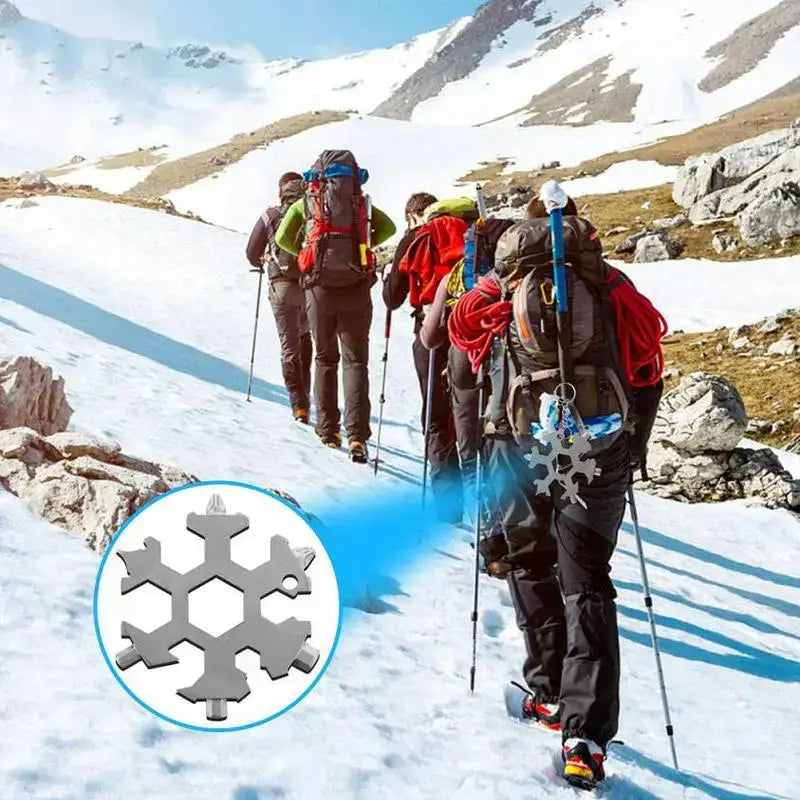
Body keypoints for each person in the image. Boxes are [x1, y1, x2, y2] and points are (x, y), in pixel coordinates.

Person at [448, 193, 663, 789]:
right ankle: (586, 736)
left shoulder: (494, 290)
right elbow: (647, 367)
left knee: (527, 561)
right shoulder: (612, 286)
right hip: (597, 449)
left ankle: (546, 690)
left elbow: (462, 365)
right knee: (587, 581)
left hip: (517, 445)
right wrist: (631, 446)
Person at [275, 151, 396, 462]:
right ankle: (358, 436)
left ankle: (329, 430)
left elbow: (282, 238)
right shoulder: (361, 204)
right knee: (356, 362)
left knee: (324, 357)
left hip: (319, 288)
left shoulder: (308, 203)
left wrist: (308, 253)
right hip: (357, 287)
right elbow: (389, 228)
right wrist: (362, 246)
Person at [383, 192, 463, 524]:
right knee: (480, 415)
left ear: (413, 216)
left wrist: (390, 272)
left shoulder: (416, 237)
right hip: (478, 327)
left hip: (433, 331)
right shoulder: (473, 231)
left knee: (437, 413)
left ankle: (449, 505)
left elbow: (392, 298)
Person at [245, 171, 312, 423]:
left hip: (281, 285)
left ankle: (299, 405)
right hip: (308, 286)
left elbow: (251, 251)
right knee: (305, 337)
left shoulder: (270, 215)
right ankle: (306, 395)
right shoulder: (311, 214)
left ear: (281, 192)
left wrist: (262, 261)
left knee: (289, 345)